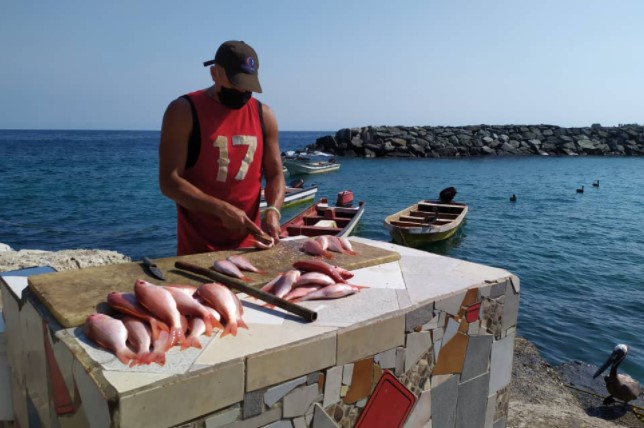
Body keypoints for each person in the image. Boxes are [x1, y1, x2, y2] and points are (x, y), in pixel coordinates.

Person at [159, 40, 285, 256]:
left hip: (252, 247)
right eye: (236, 83)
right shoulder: (184, 112)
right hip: (198, 251)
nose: (243, 90)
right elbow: (169, 182)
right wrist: (220, 209)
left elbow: (275, 174)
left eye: (248, 84)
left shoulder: (265, 115)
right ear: (215, 73)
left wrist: (273, 210)